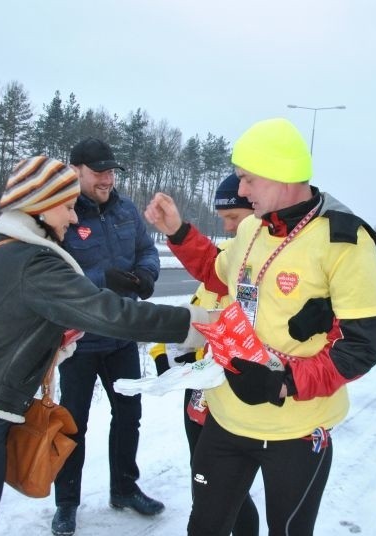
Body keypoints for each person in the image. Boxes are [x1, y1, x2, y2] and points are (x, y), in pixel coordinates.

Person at [0, 155, 210, 536]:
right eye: (68, 207)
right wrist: (196, 324)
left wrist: (53, 338)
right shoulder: (33, 262)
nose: (73, 218)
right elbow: (112, 313)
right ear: (39, 206)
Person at [144, 117, 376, 536]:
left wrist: (282, 383)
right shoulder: (254, 227)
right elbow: (218, 274)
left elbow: (359, 349)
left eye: (247, 179)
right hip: (226, 417)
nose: (240, 191)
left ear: (282, 175)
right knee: (205, 527)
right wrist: (177, 231)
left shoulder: (345, 241)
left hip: (296, 429)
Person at [52, 137, 162, 536]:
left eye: (111, 171)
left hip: (121, 336)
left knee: (129, 415)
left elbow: (147, 250)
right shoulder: (61, 211)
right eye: (99, 172)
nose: (107, 179)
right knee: (72, 423)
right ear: (76, 170)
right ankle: (66, 503)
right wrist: (102, 280)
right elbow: (54, 277)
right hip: (79, 340)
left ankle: (125, 489)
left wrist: (147, 274)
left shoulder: (125, 208)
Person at [149, 172, 260, 536]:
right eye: (224, 219)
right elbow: (197, 310)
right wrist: (164, 356)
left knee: (230, 491)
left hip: (236, 396)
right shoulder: (222, 258)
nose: (228, 229)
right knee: (203, 480)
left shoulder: (259, 266)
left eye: (234, 219)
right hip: (199, 393)